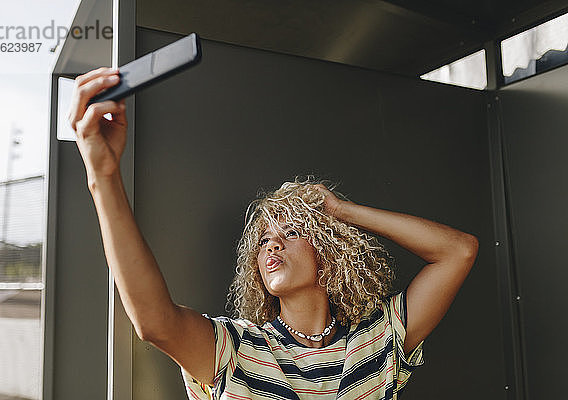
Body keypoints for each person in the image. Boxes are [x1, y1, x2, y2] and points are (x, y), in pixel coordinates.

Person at [68, 67, 479, 399]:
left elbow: (458, 251)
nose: (273, 243)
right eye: (264, 239)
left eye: (292, 231)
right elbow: (154, 323)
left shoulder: (381, 340)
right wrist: (102, 177)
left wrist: (341, 211)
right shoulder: (234, 349)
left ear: (330, 251)